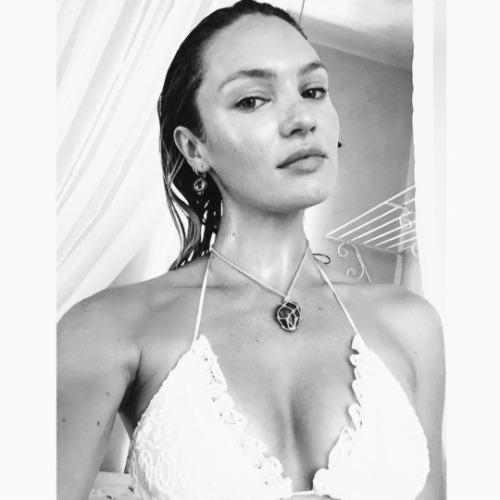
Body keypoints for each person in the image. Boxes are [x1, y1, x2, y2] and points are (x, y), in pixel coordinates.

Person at [57, 1, 445, 499]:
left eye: (313, 90)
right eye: (252, 100)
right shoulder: (107, 329)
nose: (302, 119)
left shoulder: (411, 324)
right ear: (194, 148)